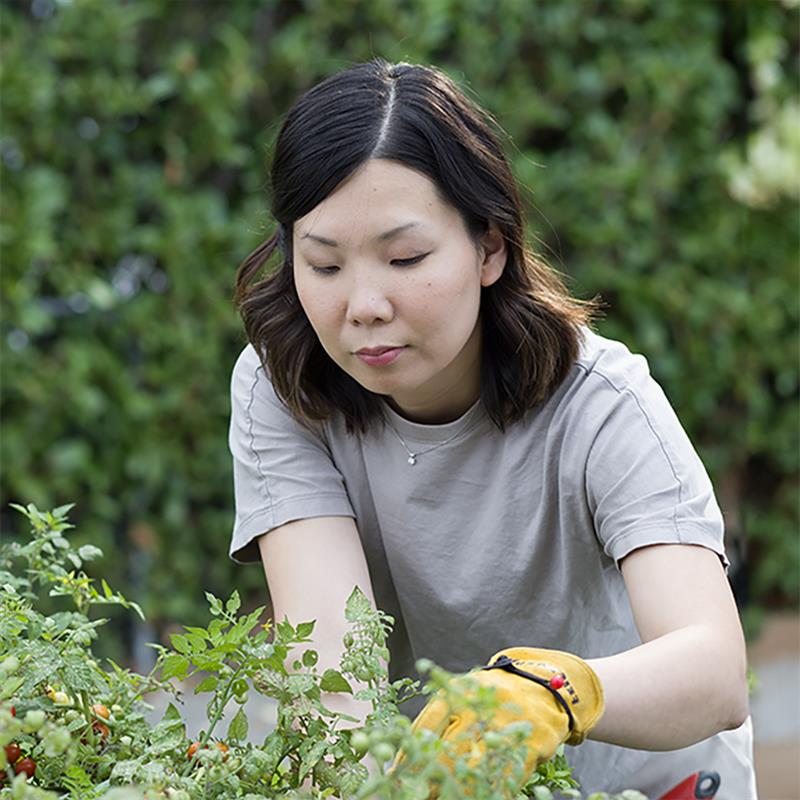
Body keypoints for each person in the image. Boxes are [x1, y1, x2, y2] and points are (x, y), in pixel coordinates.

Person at [228, 59, 757, 798]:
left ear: (490, 248)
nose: (364, 305)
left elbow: (715, 671)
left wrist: (558, 690)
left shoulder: (600, 403)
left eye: (404, 257)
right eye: (324, 264)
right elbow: (333, 686)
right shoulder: (283, 387)